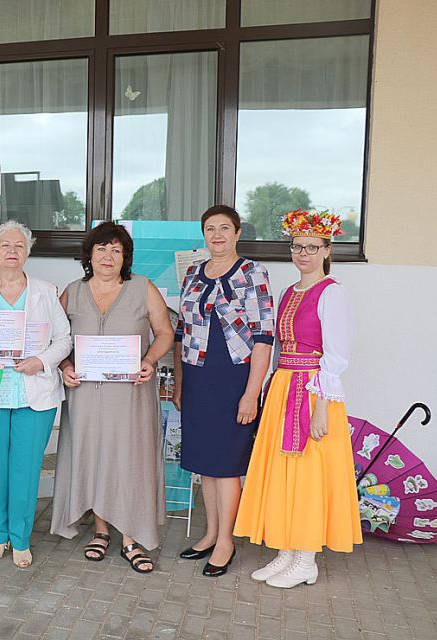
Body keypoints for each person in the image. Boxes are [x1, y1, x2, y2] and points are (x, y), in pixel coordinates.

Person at [234, 209, 360, 588]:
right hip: (284, 386)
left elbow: (336, 354)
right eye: (297, 246)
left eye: (311, 247)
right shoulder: (289, 292)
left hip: (312, 391)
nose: (303, 253)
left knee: (308, 472)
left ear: (327, 250)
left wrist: (321, 407)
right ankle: (286, 551)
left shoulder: (332, 293)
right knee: (282, 470)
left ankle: (306, 559)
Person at [50, 222, 173, 573]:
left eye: (116, 250)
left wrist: (150, 360)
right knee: (92, 457)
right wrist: (65, 366)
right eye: (101, 249)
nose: (108, 256)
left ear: (125, 257)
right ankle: (101, 531)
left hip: (131, 395)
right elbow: (55, 339)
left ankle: (131, 538)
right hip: (84, 396)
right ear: (89, 255)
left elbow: (165, 332)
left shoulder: (142, 288)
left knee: (129, 460)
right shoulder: (73, 292)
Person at [172, 205, 274, 577]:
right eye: (211, 229)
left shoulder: (252, 272)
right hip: (197, 378)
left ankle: (226, 542)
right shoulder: (193, 274)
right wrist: (180, 383)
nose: (217, 235)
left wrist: (251, 393)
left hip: (233, 378)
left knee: (227, 463)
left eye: (224, 228)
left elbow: (264, 337)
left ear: (237, 233)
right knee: (205, 463)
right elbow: (182, 332)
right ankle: (211, 533)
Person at [0, 221, 71, 568]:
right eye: (5, 245)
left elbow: (64, 339)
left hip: (34, 394)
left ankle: (20, 538)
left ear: (28, 251)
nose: (12, 251)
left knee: (25, 469)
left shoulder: (45, 291)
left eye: (19, 245)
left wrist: (41, 361)